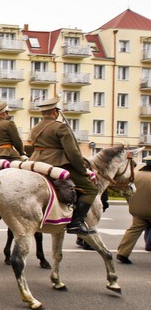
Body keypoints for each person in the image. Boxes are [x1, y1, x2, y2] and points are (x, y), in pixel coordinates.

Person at [28, 97, 98, 235]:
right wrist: (82, 170)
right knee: (91, 189)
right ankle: (75, 223)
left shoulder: (35, 128)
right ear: (55, 111)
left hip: (36, 162)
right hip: (57, 163)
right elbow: (73, 152)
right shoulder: (60, 126)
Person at [115, 156, 151, 264]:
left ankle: (122, 252)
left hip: (137, 210)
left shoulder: (135, 175)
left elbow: (126, 191)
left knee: (133, 230)